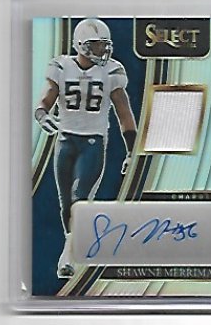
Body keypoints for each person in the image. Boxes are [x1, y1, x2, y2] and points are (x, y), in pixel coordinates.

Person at [34, 18, 137, 278]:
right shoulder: (62, 66)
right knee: (65, 204)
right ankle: (71, 244)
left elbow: (124, 113)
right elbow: (45, 100)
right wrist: (42, 115)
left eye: (104, 44)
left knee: (80, 198)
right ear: (81, 44)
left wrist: (131, 149)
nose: (103, 50)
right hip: (65, 141)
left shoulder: (111, 71)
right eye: (97, 44)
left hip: (92, 142)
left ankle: (68, 255)